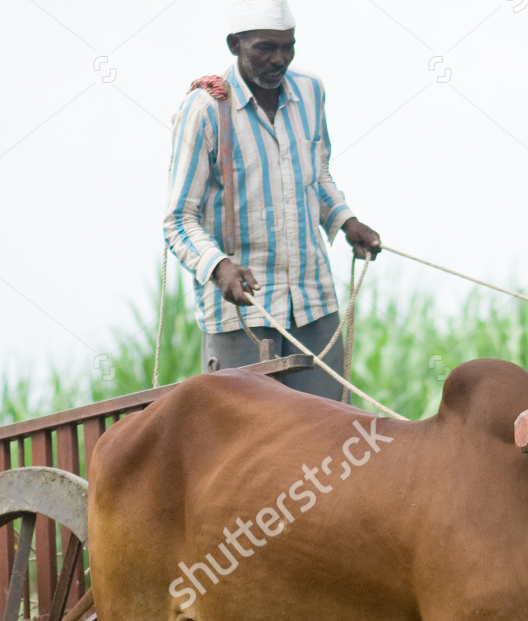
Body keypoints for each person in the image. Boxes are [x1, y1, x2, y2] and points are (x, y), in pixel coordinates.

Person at [163, 0, 381, 399]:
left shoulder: (310, 91)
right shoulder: (206, 109)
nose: (278, 59)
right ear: (235, 45)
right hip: (242, 311)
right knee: (249, 446)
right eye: (265, 48)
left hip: (313, 300)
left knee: (330, 434)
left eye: (288, 46)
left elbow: (316, 176)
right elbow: (178, 221)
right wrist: (219, 267)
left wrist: (346, 221)